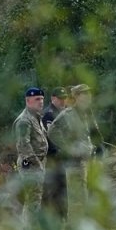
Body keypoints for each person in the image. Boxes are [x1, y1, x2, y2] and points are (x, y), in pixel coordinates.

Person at [47, 83, 99, 222]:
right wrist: (68, 148)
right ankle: (74, 229)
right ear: (76, 96)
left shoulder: (88, 113)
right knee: (77, 197)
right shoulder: (68, 114)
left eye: (89, 93)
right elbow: (52, 131)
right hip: (74, 162)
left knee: (87, 196)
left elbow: (93, 134)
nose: (88, 97)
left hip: (88, 160)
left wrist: (96, 146)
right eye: (84, 94)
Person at [13, 86, 48, 230]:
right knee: (32, 198)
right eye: (37, 99)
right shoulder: (24, 120)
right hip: (30, 164)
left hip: (39, 162)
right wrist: (36, 164)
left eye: (41, 99)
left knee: (36, 198)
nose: (41, 102)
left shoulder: (36, 117)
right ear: (28, 101)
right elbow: (23, 145)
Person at [41, 87, 69, 221]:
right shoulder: (49, 114)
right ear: (53, 98)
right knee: (52, 189)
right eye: (60, 98)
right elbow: (50, 137)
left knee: (62, 188)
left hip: (64, 156)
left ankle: (61, 217)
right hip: (53, 157)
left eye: (64, 98)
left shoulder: (65, 112)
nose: (63, 101)